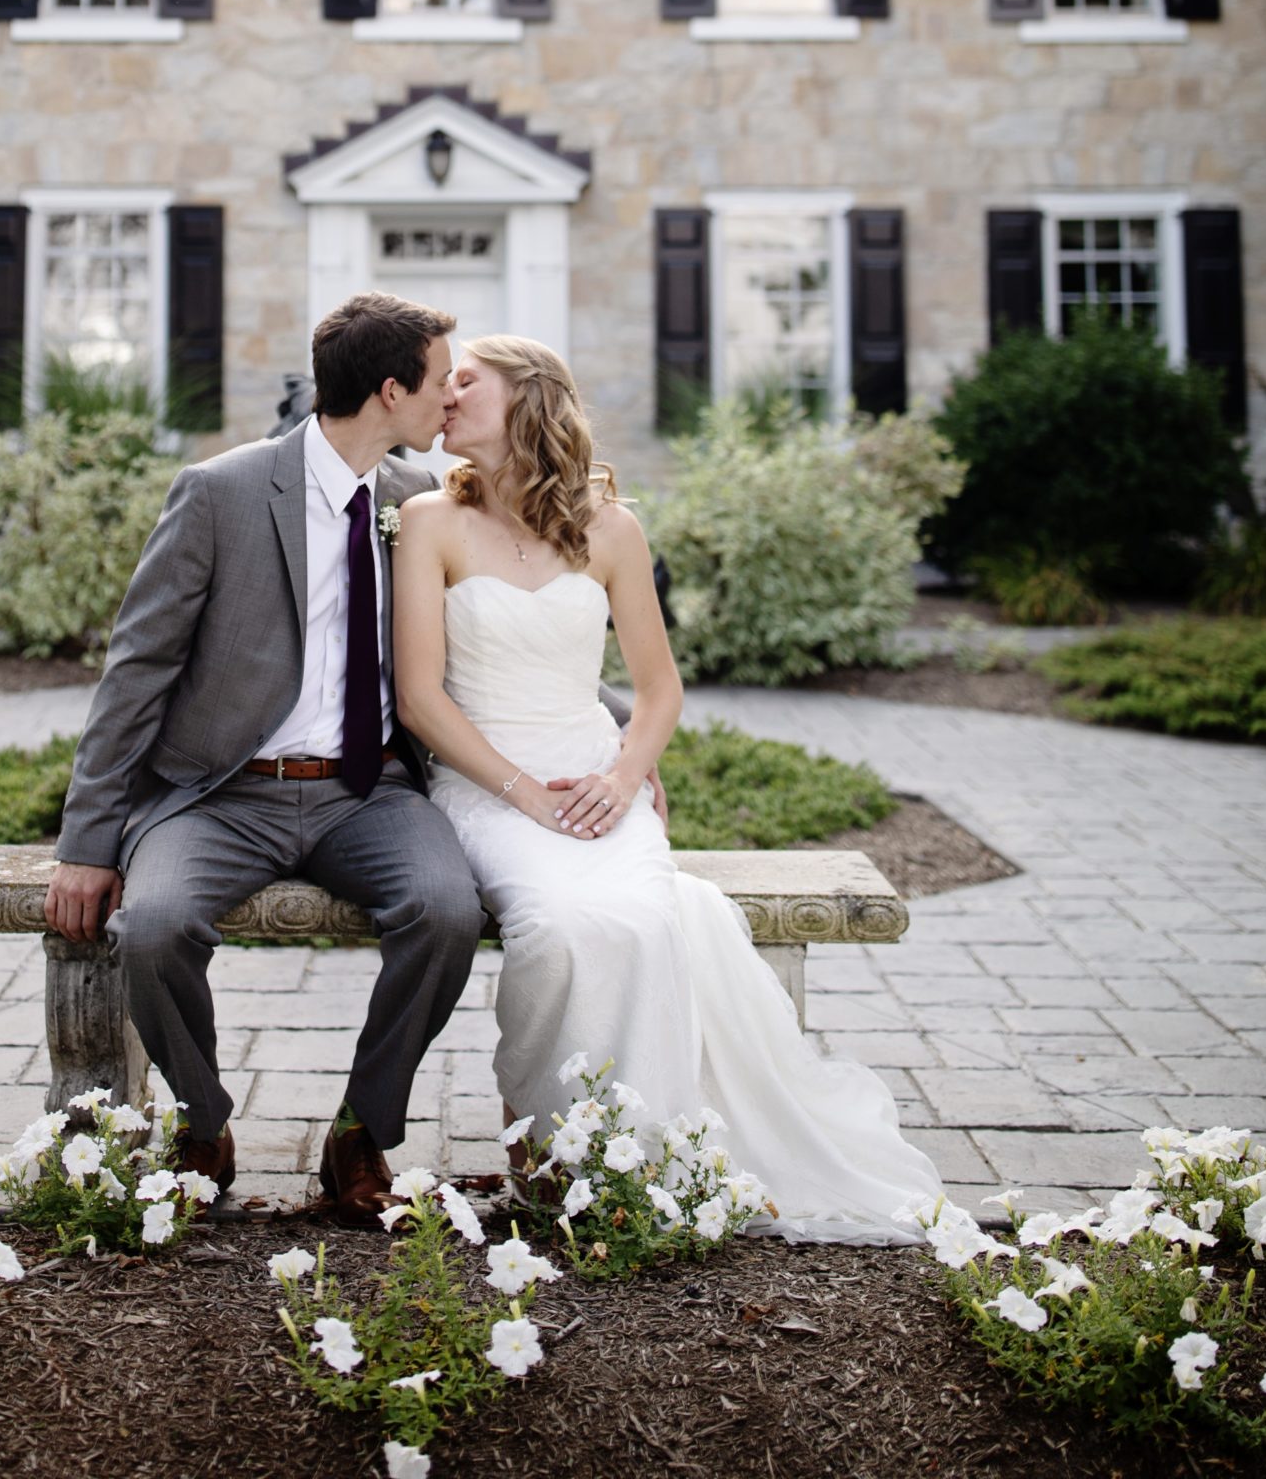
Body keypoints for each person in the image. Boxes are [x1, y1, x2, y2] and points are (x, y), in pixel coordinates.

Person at [392, 333, 944, 1241]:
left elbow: (657, 689)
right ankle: (541, 1143)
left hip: (595, 774)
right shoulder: (428, 522)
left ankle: (633, 1152)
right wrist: (525, 793)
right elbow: (419, 697)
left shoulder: (611, 527)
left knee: (647, 920)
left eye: (465, 381)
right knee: (562, 924)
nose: (443, 397)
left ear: (528, 397)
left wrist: (622, 775)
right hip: (484, 781)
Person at [44, 292, 486, 1223]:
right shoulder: (223, 491)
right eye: (442, 381)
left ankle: (361, 1134)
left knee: (446, 911)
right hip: (221, 794)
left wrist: (617, 737)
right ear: (390, 389)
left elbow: (498, 643)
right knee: (154, 927)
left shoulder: (416, 504)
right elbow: (136, 670)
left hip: (366, 794)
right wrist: (86, 842)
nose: (452, 399)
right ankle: (203, 1125)